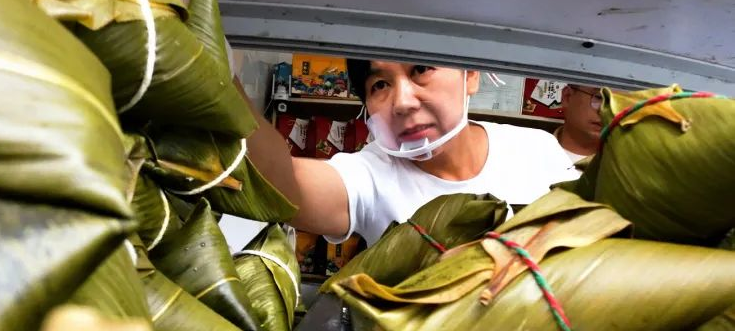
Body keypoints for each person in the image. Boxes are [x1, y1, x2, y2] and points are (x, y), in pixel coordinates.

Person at [239, 59, 576, 247]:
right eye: (380, 86)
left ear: (470, 75)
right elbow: (280, 183)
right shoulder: (373, 174)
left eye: (421, 69)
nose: (402, 102)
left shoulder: (537, 150)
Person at [554, 84, 603, 164]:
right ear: (567, 97)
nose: (606, 110)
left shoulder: (626, 168)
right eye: (599, 98)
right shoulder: (531, 154)